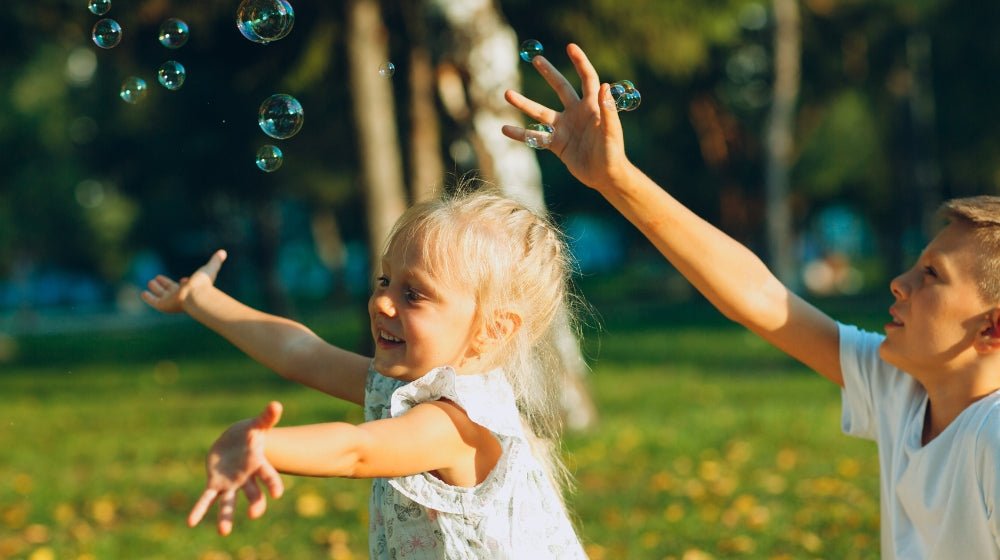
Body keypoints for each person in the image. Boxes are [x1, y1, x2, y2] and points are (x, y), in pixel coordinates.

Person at [502, 43, 1000, 559]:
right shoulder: (904, 391)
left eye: (931, 275)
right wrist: (615, 177)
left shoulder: (994, 437)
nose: (899, 282)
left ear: (992, 328)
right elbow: (759, 297)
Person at [141, 186, 588, 559]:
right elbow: (300, 353)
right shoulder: (401, 387)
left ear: (492, 330)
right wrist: (200, 298)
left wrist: (264, 444)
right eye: (384, 281)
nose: (381, 302)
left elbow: (356, 451)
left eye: (414, 294)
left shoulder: (455, 422)